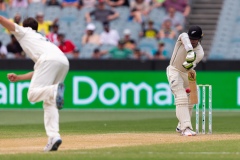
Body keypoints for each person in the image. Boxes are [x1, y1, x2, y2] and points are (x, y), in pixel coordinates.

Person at [0, 15, 69, 151]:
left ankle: (54, 90)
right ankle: (53, 137)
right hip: (63, 61)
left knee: (32, 95)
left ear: (25, 27)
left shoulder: (25, 31)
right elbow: (40, 71)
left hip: (49, 61)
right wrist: (19, 78)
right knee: (49, 101)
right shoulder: (42, 40)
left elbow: (3, 21)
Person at [166, 26, 204, 136]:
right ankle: (186, 127)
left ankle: (180, 125)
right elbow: (185, 40)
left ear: (200, 39)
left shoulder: (200, 53)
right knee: (181, 97)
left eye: (195, 39)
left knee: (192, 100)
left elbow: (187, 66)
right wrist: (190, 51)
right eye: (191, 38)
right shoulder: (183, 36)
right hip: (174, 70)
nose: (192, 41)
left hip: (188, 73)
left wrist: (191, 57)